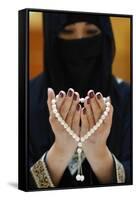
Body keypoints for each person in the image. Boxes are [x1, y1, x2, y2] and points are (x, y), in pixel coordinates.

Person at [29, 12, 132, 190]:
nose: (80, 41)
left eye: (91, 32)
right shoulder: (24, 97)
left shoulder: (128, 98)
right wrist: (60, 150)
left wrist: (99, 153)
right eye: (67, 32)